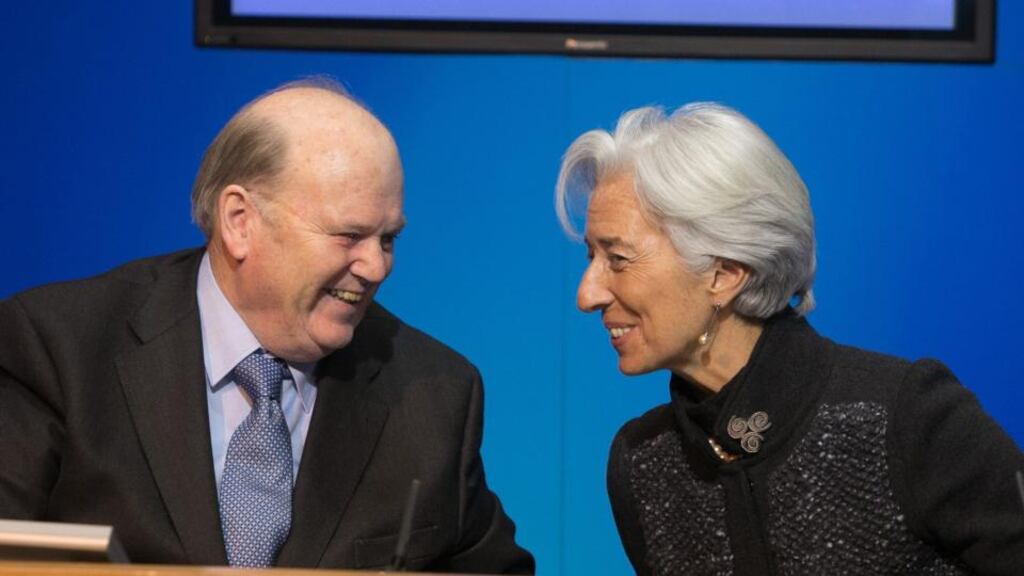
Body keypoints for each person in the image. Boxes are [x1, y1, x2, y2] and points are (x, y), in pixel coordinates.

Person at [0, 79, 534, 574]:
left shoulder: (434, 396)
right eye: (349, 235)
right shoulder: (59, 349)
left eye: (388, 239)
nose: (376, 267)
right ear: (240, 221)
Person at [554, 102, 1024, 575]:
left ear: (724, 273)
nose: (586, 294)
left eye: (618, 259)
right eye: (591, 257)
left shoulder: (905, 416)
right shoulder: (643, 462)